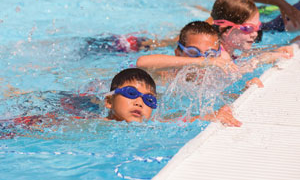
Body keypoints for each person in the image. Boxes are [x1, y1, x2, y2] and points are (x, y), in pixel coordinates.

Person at [0, 68, 241, 139]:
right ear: (108, 101)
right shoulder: (93, 123)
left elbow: (176, 121)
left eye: (148, 100)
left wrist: (211, 116)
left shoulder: (150, 125)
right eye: (130, 93)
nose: (140, 102)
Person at [136, 21, 238, 74]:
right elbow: (141, 63)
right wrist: (202, 62)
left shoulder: (219, 71)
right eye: (193, 52)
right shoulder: (169, 74)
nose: (203, 58)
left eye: (210, 54)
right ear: (178, 53)